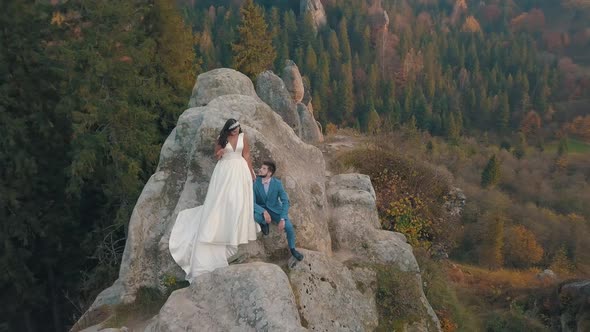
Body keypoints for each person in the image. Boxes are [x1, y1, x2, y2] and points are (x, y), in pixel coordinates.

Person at [169, 119, 259, 282]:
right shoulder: (221, 138)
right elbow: (217, 155)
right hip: (224, 171)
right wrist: (221, 152)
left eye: (237, 129)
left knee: (237, 199)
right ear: (228, 130)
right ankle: (219, 224)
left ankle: (233, 228)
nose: (235, 132)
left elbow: (246, 155)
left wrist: (251, 171)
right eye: (233, 130)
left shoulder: (242, 137)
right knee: (223, 200)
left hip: (240, 169)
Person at [253, 161, 304, 261]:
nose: (260, 169)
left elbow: (285, 201)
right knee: (256, 216)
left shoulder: (277, 183)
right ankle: (264, 224)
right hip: (262, 209)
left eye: (263, 168)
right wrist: (263, 211)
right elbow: (252, 201)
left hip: (275, 209)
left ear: (269, 173)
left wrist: (282, 218)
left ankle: (293, 249)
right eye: (261, 168)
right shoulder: (255, 183)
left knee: (289, 227)